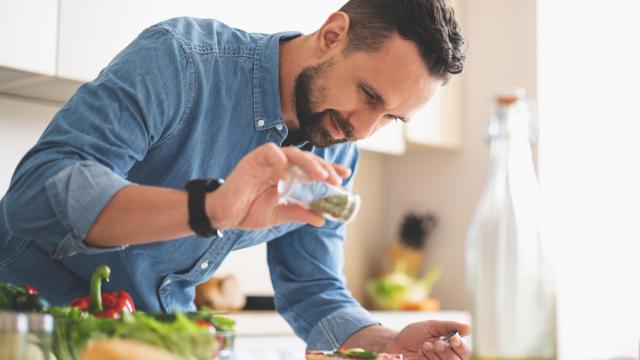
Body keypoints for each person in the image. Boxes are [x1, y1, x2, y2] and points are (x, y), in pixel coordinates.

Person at [0, 0, 469, 358]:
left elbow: (313, 287)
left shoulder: (337, 141)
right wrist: (210, 208)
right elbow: (35, 194)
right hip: (30, 334)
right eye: (368, 94)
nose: (364, 128)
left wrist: (389, 342)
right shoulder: (182, 61)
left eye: (390, 117)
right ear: (332, 34)